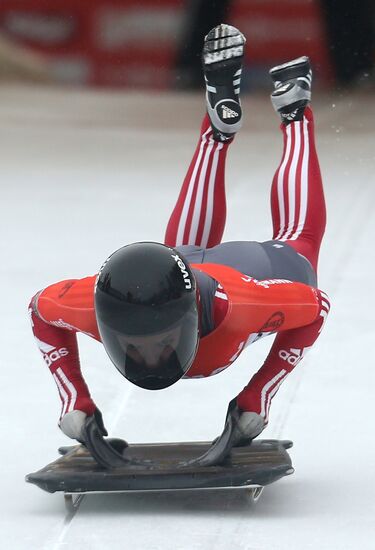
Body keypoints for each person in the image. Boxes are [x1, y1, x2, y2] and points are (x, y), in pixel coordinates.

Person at [29, 25, 329, 461]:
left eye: (161, 342)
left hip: (259, 270)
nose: (151, 359)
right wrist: (74, 398)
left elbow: (315, 307)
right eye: (135, 345)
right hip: (196, 267)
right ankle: (256, 120)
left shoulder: (244, 305)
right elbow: (41, 308)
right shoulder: (88, 304)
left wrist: (259, 393)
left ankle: (289, 110)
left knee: (297, 242)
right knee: (181, 256)